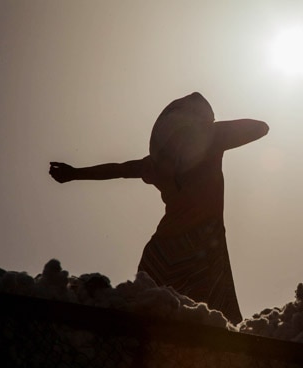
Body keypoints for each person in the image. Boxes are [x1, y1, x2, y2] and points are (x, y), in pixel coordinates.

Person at [49, 92, 269, 324]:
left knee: (177, 316)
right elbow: (260, 128)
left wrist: (74, 174)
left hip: (168, 250)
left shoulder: (163, 160)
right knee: (201, 318)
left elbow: (119, 169)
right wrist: (214, 131)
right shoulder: (206, 144)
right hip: (197, 247)